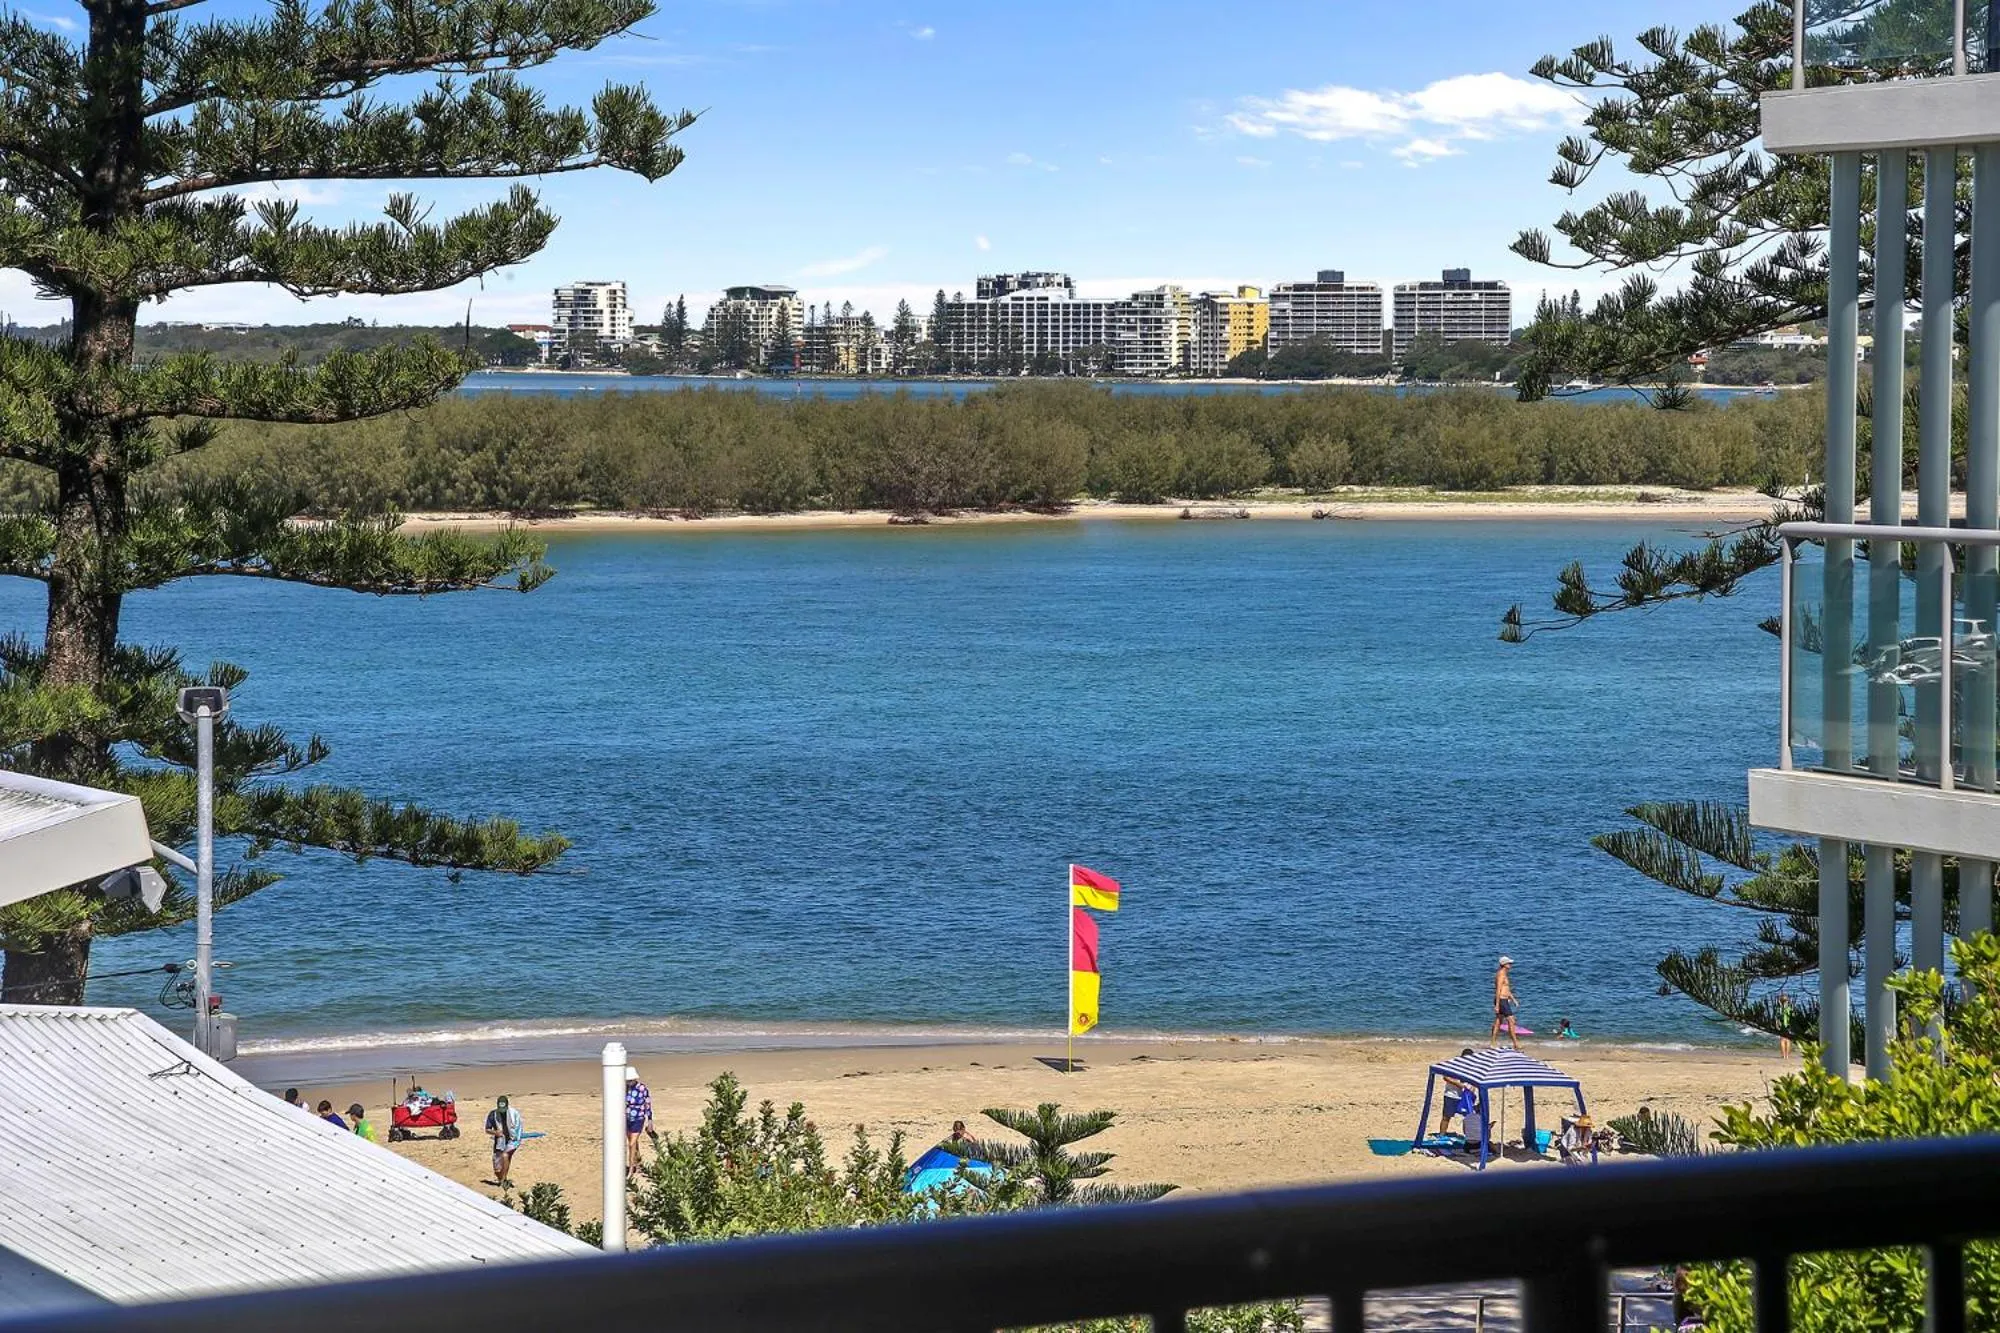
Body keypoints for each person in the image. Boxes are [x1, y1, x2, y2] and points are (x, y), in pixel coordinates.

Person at [1435, 1048, 1477, 1138]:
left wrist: (1472, 1090)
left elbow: (1474, 1081)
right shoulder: (1454, 1064)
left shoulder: (1472, 1067)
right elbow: (1445, 1077)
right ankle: (1441, 1135)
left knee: (1468, 1118)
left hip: (1465, 1096)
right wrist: (1458, 1084)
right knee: (1446, 1116)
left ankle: (1469, 1137)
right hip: (1451, 1094)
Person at [485, 1095, 524, 1188]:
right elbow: (487, 1129)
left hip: (513, 1139)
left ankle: (503, 1180)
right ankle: (501, 1178)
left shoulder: (514, 1114)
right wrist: (495, 1132)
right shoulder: (493, 1114)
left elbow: (519, 1128)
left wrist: (515, 1140)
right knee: (497, 1170)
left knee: (505, 1155)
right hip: (499, 1141)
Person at [624, 1066, 653, 1178]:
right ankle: (638, 1160)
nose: (628, 1082)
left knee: (631, 1144)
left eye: (630, 1080)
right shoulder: (624, 1088)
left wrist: (650, 1120)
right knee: (633, 1141)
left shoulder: (642, 1089)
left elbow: (647, 1104)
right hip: (627, 1118)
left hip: (639, 1118)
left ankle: (631, 1168)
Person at [1490, 955, 1521, 1050]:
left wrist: (1513, 999)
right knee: (1511, 1020)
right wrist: (1497, 1005)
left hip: (1504, 999)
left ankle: (1492, 1042)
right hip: (1501, 1000)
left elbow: (1506, 989)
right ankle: (1515, 1043)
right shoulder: (1501, 975)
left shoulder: (1504, 974)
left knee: (1498, 1021)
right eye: (1509, 963)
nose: (1511, 964)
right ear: (1504, 964)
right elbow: (1498, 990)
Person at [1776, 989, 1795, 1058]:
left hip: (1782, 1025)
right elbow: (1792, 1016)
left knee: (1782, 1039)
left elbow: (1777, 1017)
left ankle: (1783, 1055)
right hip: (1788, 1025)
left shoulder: (1779, 1009)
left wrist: (1777, 1024)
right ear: (1787, 1001)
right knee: (1788, 1040)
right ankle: (1787, 1055)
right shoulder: (1789, 1008)